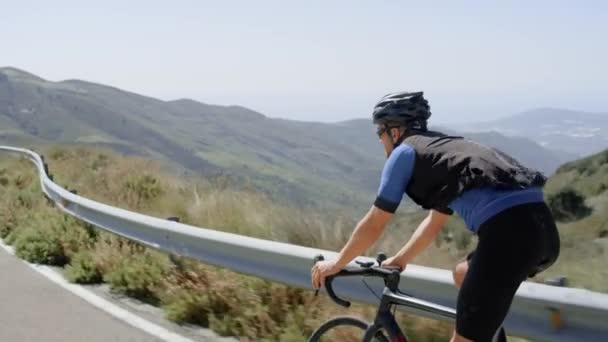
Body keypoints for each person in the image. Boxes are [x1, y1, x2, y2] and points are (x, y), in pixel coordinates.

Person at [311, 91, 561, 342]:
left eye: (380, 132)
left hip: (509, 235)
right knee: (462, 274)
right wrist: (400, 259)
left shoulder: (404, 153)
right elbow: (434, 222)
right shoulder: (445, 150)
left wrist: (336, 263)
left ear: (394, 131)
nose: (380, 140)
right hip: (544, 231)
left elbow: (376, 221)